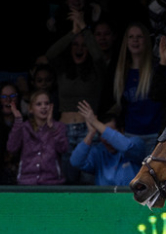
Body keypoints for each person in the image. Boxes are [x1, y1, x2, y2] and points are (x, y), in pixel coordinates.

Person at [43, 9, 108, 184]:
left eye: (84, 45)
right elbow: (50, 55)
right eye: (75, 45)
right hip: (65, 130)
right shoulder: (63, 70)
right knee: (67, 180)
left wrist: (85, 30)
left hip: (88, 130)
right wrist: (73, 33)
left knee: (88, 181)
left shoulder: (96, 72)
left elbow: (100, 58)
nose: (80, 48)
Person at [113, 22, 166, 157]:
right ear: (126, 42)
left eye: (139, 37)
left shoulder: (158, 68)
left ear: (146, 40)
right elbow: (121, 107)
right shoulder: (122, 71)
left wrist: (163, 64)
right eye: (131, 37)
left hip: (155, 136)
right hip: (131, 135)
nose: (135, 40)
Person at [70, 100, 144, 186]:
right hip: (105, 198)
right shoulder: (98, 151)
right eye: (102, 133)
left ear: (121, 131)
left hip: (130, 197)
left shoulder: (136, 143)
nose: (106, 137)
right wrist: (90, 134)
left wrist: (94, 121)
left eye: (109, 132)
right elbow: (76, 162)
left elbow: (126, 147)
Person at [6, 90, 69, 185]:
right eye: (39, 104)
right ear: (31, 109)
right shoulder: (24, 127)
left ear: (51, 106)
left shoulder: (59, 127)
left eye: (46, 103)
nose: (44, 107)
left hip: (52, 182)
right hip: (27, 182)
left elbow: (63, 149)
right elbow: (11, 148)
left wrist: (52, 128)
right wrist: (18, 121)